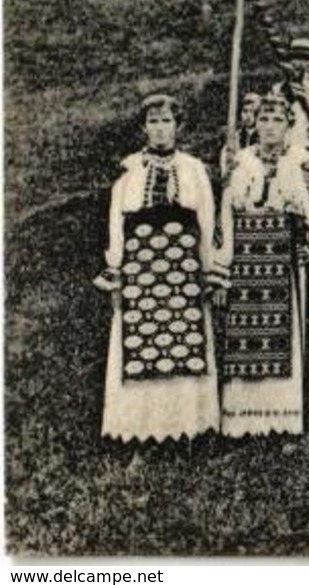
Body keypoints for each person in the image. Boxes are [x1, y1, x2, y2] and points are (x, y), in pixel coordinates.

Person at [96, 94, 221, 443]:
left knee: (186, 344)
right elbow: (116, 223)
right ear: (143, 128)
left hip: (185, 273)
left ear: (178, 126)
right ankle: (141, 433)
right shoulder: (128, 169)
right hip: (140, 274)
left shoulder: (193, 169)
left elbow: (207, 222)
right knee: (138, 348)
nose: (160, 128)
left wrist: (209, 270)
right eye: (153, 121)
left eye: (166, 121)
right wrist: (117, 270)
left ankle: (190, 432)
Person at [217, 90, 309, 437]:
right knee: (248, 339)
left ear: (289, 125)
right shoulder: (240, 161)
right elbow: (225, 215)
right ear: (254, 124)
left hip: (287, 263)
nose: (270, 127)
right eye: (263, 119)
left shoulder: (300, 161)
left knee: (290, 341)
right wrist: (223, 267)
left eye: (278, 120)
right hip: (248, 262)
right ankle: (245, 422)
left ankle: (287, 421)